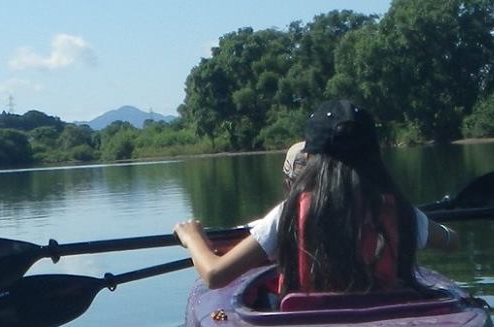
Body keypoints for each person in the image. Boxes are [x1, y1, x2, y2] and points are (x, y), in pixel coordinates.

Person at [174, 100, 457, 303]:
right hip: (387, 318)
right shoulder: (399, 209)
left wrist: (193, 238)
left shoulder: (289, 212)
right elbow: (451, 241)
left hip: (310, 319)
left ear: (311, 158)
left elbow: (214, 275)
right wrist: (441, 232)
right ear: (374, 154)